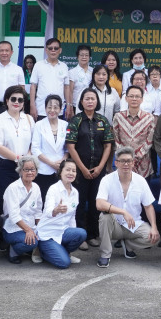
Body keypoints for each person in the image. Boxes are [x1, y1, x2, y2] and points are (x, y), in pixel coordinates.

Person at [95, 146, 161, 267]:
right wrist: (123, 212)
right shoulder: (107, 180)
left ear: (133, 163)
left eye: (129, 161)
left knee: (153, 237)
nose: (126, 164)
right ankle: (105, 254)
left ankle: (128, 245)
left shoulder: (140, 180)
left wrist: (154, 227)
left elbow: (148, 206)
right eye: (122, 161)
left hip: (133, 225)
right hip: (114, 225)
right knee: (104, 216)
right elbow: (99, 204)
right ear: (116, 163)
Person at [66, 88, 114, 249]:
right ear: (81, 101)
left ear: (97, 101)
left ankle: (93, 235)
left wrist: (101, 167)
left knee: (96, 203)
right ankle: (81, 236)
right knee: (79, 203)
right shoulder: (76, 120)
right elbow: (71, 147)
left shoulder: (103, 120)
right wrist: (83, 168)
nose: (90, 101)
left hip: (98, 170)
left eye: (93, 98)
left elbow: (108, 145)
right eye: (87, 98)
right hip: (79, 170)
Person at [0, 84, 34, 215]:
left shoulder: (29, 119)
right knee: (5, 199)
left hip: (24, 166)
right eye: (13, 99)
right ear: (7, 101)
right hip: (5, 167)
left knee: (23, 198)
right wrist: (18, 158)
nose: (16, 102)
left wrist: (27, 158)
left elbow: (33, 143)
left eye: (20, 100)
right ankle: (5, 233)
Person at [34, 159, 88, 268]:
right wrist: (56, 210)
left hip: (63, 231)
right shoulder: (53, 189)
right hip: (48, 233)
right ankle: (41, 250)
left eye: (73, 171)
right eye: (67, 170)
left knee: (81, 233)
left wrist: (73, 231)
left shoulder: (75, 192)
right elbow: (48, 211)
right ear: (60, 172)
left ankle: (63, 252)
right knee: (64, 263)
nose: (71, 173)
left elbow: (73, 216)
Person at [2, 155, 44, 264]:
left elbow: (38, 212)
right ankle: (13, 251)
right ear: (20, 170)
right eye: (26, 169)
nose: (30, 172)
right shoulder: (13, 188)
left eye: (32, 169)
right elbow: (14, 215)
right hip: (13, 228)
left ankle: (27, 248)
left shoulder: (36, 187)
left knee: (46, 238)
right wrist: (28, 230)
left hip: (31, 226)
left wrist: (42, 229)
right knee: (33, 242)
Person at [112, 86, 156, 179]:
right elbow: (116, 139)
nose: (134, 99)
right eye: (131, 96)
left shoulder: (149, 118)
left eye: (137, 96)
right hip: (123, 164)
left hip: (143, 165)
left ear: (142, 99)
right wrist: (125, 156)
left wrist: (136, 157)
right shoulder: (118, 117)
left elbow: (149, 141)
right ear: (126, 98)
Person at [31, 94, 68, 199]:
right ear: (45, 108)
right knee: (44, 199)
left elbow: (67, 147)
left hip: (61, 169)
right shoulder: (39, 124)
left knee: (59, 200)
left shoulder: (65, 125)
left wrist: (62, 161)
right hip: (44, 169)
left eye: (56, 107)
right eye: (49, 107)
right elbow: (35, 148)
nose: (52, 110)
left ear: (60, 109)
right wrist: (51, 163)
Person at [30, 37, 69, 120]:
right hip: (41, 109)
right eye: (50, 48)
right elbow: (33, 86)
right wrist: (32, 105)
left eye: (56, 48)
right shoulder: (38, 65)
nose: (53, 50)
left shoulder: (64, 66)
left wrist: (69, 105)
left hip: (58, 109)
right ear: (46, 50)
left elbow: (66, 87)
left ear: (60, 50)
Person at [66, 44, 92, 118]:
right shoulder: (72, 72)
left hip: (91, 106)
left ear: (89, 57)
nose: (84, 57)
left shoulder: (93, 71)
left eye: (86, 55)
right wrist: (70, 107)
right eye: (82, 55)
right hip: (76, 106)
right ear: (77, 57)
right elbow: (70, 91)